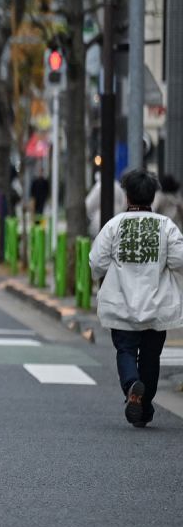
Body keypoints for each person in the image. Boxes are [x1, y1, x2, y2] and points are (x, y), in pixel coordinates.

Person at [89, 169, 183, 428]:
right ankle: (145, 403)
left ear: (127, 196)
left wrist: (104, 272)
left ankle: (132, 385)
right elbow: (179, 260)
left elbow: (96, 262)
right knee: (152, 357)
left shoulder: (115, 225)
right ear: (152, 197)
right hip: (157, 306)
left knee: (126, 350)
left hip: (121, 305)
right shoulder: (165, 226)